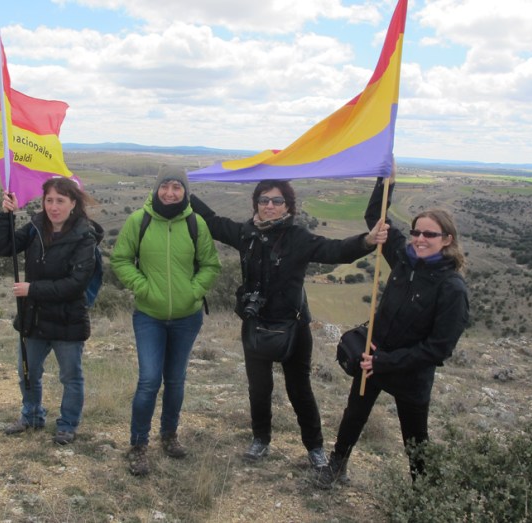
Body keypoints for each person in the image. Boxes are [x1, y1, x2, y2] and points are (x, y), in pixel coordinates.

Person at [188, 180, 389, 476]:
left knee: (299, 390)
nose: (269, 206)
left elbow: (335, 251)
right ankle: (260, 439)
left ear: (288, 206)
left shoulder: (298, 237)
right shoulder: (246, 234)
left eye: (277, 201)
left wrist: (367, 241)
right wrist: (184, 190)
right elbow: (213, 222)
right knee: (259, 388)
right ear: (256, 204)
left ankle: (315, 447)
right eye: (264, 200)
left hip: (294, 327)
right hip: (256, 324)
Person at [322, 170, 469, 487]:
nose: (420, 239)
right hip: (373, 358)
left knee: (415, 438)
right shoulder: (404, 257)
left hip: (409, 373)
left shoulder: (452, 288)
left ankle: (422, 494)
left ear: (447, 239)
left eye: (430, 234)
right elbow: (375, 217)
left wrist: (386, 362)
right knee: (354, 415)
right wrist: (385, 180)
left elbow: (438, 349)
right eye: (416, 231)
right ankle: (337, 466)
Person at [110, 170, 221, 477]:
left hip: (187, 317)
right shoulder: (139, 221)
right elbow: (120, 260)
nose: (170, 192)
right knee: (149, 381)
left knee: (175, 380)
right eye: (165, 186)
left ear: (185, 191)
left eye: (176, 187)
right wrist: (143, 287)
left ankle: (169, 435)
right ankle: (138, 445)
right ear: (155, 188)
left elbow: (211, 265)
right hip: (149, 316)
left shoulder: (195, 223)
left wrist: (193, 292)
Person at [0, 177, 103, 445]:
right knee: (27, 373)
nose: (53, 207)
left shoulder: (85, 237)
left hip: (68, 319)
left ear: (73, 203)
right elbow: (2, 247)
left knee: (70, 377)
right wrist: (6, 216)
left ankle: (67, 425)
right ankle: (31, 416)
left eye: (60, 201)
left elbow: (76, 284)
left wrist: (32, 289)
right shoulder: (36, 227)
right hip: (35, 318)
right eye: (49, 200)